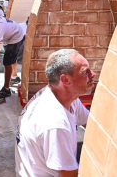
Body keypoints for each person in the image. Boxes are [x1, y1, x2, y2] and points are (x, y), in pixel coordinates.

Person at [15, 49, 95, 177]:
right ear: (66, 80)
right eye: (85, 72)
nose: (93, 74)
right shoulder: (55, 123)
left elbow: (91, 125)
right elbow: (69, 175)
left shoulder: (66, 97)